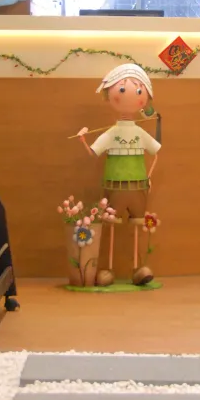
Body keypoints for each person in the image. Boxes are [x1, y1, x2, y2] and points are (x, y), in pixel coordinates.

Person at [77, 63, 160, 285]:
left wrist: (149, 177)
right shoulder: (112, 133)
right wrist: (83, 140)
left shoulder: (139, 132)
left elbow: (156, 154)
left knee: (137, 227)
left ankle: (139, 268)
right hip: (114, 186)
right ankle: (108, 269)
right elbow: (94, 152)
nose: (131, 93)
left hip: (138, 187)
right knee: (112, 227)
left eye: (139, 89)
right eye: (121, 89)